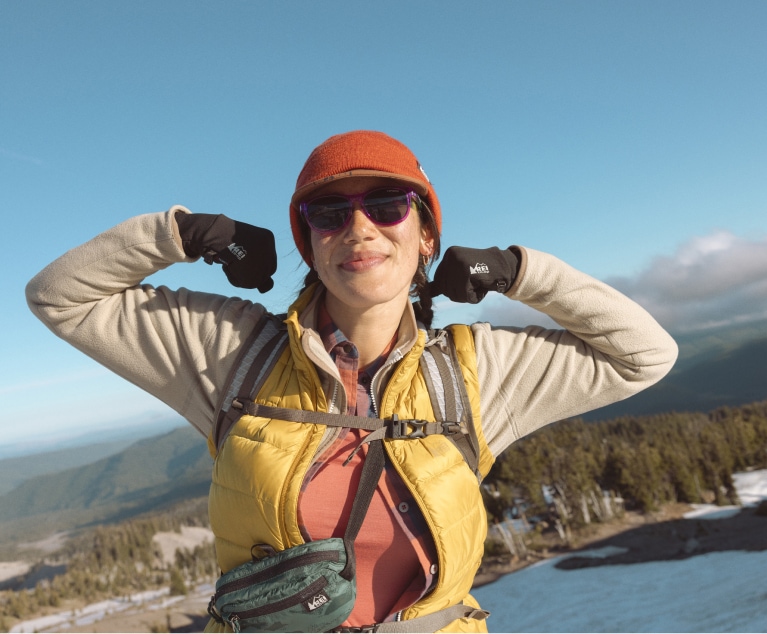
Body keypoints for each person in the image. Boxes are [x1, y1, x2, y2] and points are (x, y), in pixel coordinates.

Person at [26, 130, 677, 632]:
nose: (359, 227)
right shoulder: (231, 354)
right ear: (307, 244)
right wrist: (185, 234)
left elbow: (642, 355)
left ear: (426, 236)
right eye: (328, 212)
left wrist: (517, 270)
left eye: (389, 205)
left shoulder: (475, 372)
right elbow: (61, 299)